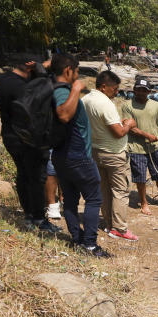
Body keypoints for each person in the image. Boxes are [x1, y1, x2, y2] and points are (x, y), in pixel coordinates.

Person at [0, 55, 61, 233]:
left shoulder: (2, 80)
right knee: (37, 178)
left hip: (9, 136)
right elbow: (42, 96)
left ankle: (29, 215)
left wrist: (39, 69)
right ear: (31, 65)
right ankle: (38, 218)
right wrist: (43, 73)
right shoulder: (26, 87)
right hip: (29, 139)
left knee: (23, 176)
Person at [50, 53, 109, 258]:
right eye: (76, 71)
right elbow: (64, 114)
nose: (77, 76)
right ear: (68, 71)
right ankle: (90, 246)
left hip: (62, 155)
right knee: (93, 199)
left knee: (72, 201)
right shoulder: (63, 91)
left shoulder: (55, 89)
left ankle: (77, 240)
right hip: (76, 156)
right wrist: (75, 89)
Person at [83, 70, 138, 241]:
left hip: (95, 151)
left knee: (104, 189)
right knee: (120, 191)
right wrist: (128, 124)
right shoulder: (105, 104)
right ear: (104, 87)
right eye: (115, 89)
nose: (117, 93)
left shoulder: (85, 100)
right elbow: (118, 133)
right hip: (113, 154)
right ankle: (120, 228)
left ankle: (108, 223)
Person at [122, 78, 158, 214]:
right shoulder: (127, 106)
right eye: (138, 89)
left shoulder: (156, 105)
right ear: (134, 90)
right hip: (136, 148)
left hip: (155, 147)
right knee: (140, 178)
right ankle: (144, 203)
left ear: (149, 91)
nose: (141, 92)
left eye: (144, 90)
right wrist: (148, 136)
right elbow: (130, 128)